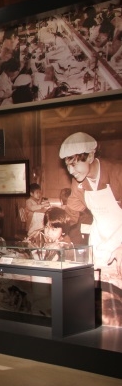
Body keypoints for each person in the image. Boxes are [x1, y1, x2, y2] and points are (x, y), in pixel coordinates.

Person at [59, 132, 122, 317]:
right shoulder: (78, 184)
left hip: (120, 244)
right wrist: (53, 230)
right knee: (101, 298)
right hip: (99, 243)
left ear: (91, 156)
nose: (71, 171)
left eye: (74, 164)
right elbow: (71, 214)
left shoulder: (117, 172)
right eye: (67, 165)